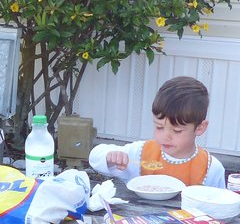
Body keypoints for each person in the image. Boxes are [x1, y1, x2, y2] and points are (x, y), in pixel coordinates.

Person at [88, 76, 227, 188]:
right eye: (159, 127)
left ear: (200, 128)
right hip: (139, 219)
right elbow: (95, 157)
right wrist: (110, 157)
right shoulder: (141, 153)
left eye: (177, 131)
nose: (166, 136)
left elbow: (218, 204)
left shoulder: (211, 168)